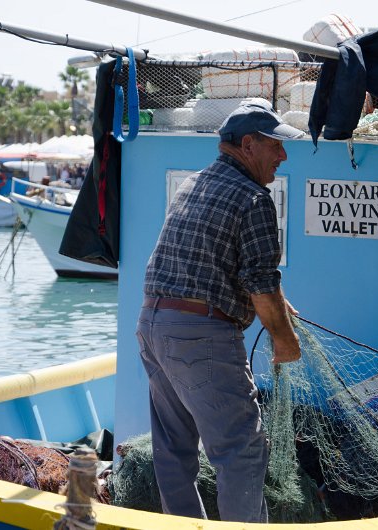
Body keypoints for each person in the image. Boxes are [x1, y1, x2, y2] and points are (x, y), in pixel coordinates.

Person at [136, 101, 303, 523]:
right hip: (199, 337)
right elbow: (262, 282)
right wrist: (285, 340)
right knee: (241, 451)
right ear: (247, 145)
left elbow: (215, 268)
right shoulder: (254, 198)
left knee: (174, 449)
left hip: (153, 327)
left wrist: (277, 308)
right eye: (275, 146)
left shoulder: (195, 183)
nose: (283, 156)